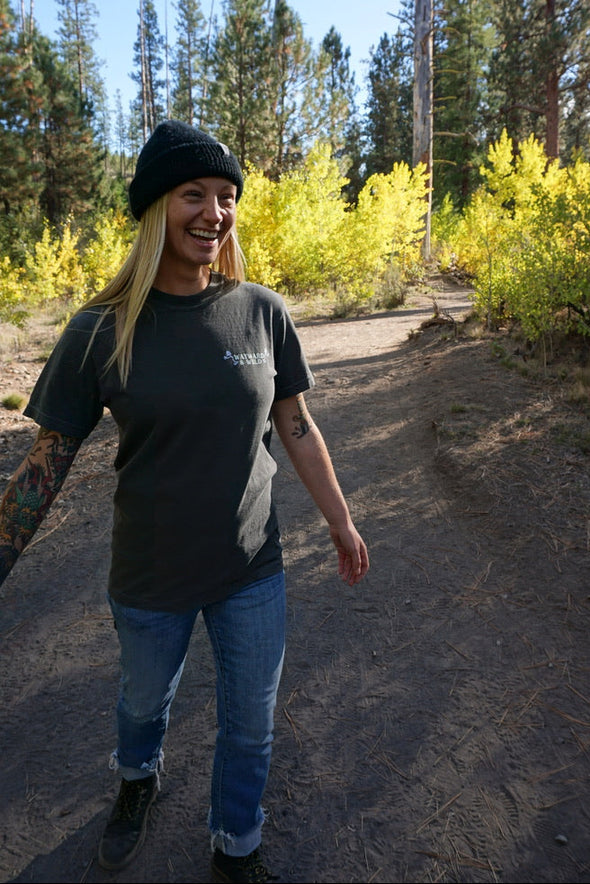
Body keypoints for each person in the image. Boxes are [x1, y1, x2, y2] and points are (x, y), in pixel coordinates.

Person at [0, 120, 369, 883]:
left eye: (227, 196)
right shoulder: (100, 329)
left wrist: (340, 520)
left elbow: (295, 424)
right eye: (192, 194)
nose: (214, 212)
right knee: (141, 707)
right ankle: (137, 780)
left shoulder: (261, 311)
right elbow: (48, 463)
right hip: (150, 577)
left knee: (250, 727)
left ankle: (237, 846)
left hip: (251, 568)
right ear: (154, 209)